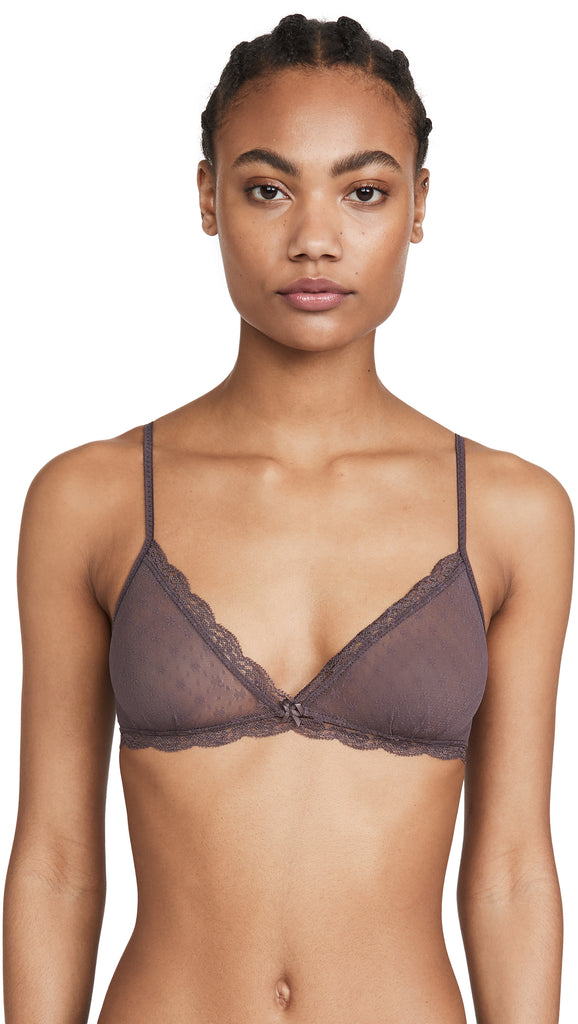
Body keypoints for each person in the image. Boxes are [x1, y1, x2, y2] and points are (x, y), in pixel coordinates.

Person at [3, 12, 574, 1023]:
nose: (314, 238)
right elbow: (54, 860)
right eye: (268, 189)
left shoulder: (510, 513)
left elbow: (511, 873)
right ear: (207, 196)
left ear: (419, 205)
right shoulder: (88, 499)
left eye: (363, 192)